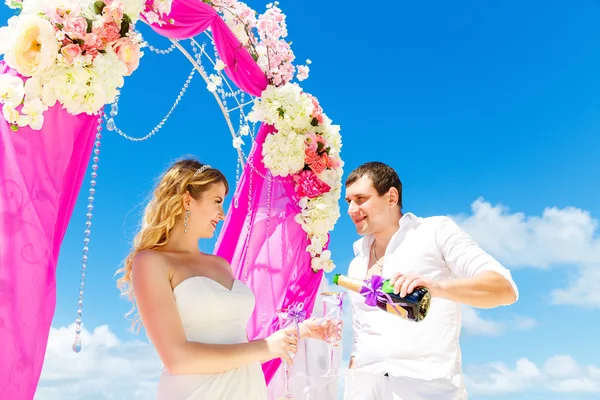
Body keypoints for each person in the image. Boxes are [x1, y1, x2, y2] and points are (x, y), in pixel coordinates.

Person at [116, 158, 336, 400]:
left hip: (247, 389)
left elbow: (231, 335)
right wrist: (265, 348)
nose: (222, 215)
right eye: (217, 201)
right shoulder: (151, 262)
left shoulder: (221, 265)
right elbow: (177, 360)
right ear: (188, 200)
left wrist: (300, 330)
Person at [342, 161, 518, 400]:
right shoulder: (356, 262)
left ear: (391, 197)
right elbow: (361, 336)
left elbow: (504, 288)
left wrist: (437, 288)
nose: (351, 209)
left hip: (429, 392)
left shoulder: (435, 232)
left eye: (361, 199)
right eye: (348, 201)